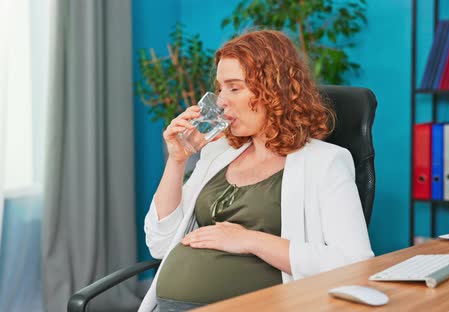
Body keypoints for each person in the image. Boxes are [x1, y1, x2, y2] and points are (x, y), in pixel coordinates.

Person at [140, 30, 374, 312]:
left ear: (274, 90)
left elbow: (356, 265)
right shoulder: (218, 154)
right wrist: (176, 161)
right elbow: (159, 244)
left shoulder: (325, 163)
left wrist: (249, 239)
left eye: (234, 87)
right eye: (220, 87)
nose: (221, 100)